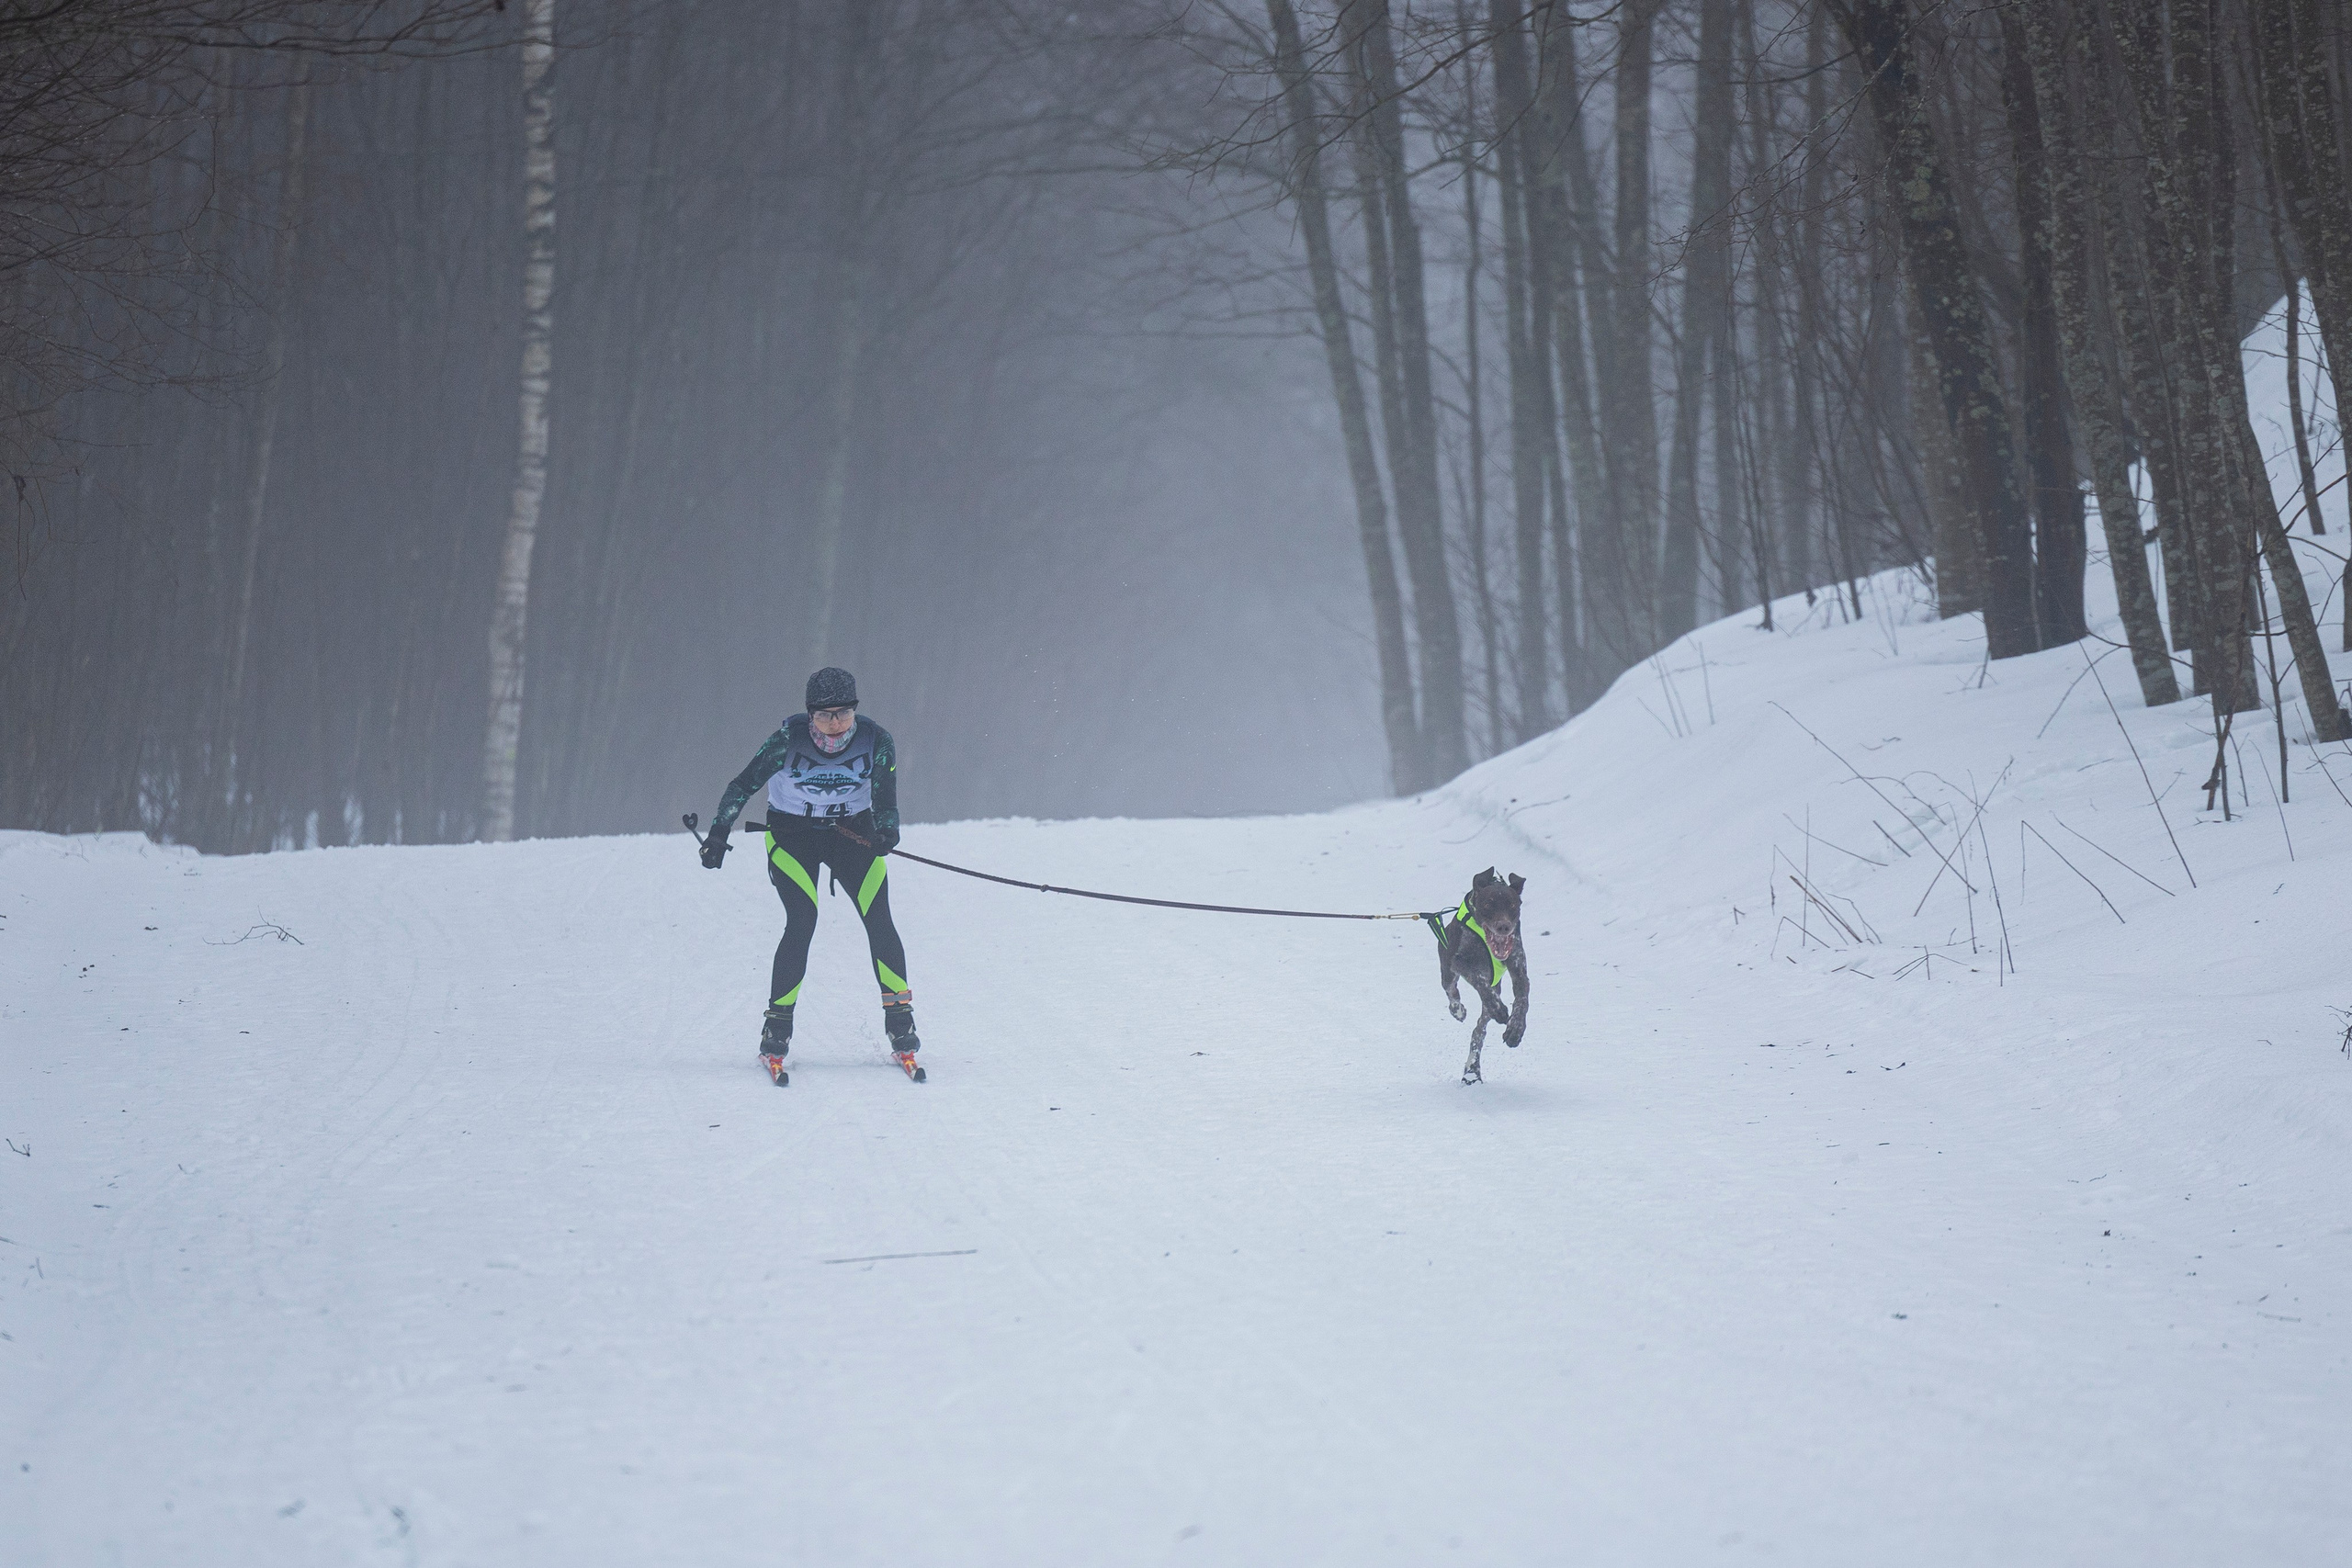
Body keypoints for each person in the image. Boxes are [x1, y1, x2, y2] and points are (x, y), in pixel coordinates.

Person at [700, 667, 916, 1081]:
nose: (834, 725)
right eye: (823, 716)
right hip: (791, 838)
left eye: (843, 714)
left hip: (852, 836)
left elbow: (885, 798)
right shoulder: (787, 741)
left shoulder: (877, 740)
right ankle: (776, 1029)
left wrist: (887, 832)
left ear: (855, 711)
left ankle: (901, 1025)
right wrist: (717, 833)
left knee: (880, 921)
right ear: (809, 714)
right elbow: (741, 786)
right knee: (802, 920)